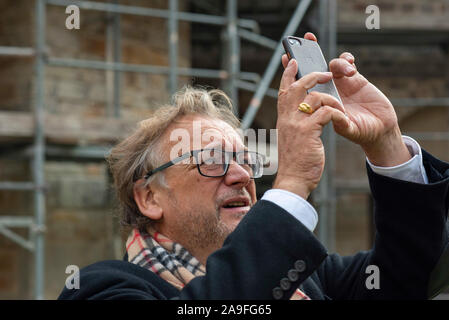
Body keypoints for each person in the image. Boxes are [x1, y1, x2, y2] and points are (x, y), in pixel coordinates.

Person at [58, 33, 449, 300]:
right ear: (149, 197)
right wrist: (292, 181)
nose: (244, 175)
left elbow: (412, 273)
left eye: (246, 160)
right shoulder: (102, 288)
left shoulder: (304, 276)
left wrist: (387, 144)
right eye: (212, 161)